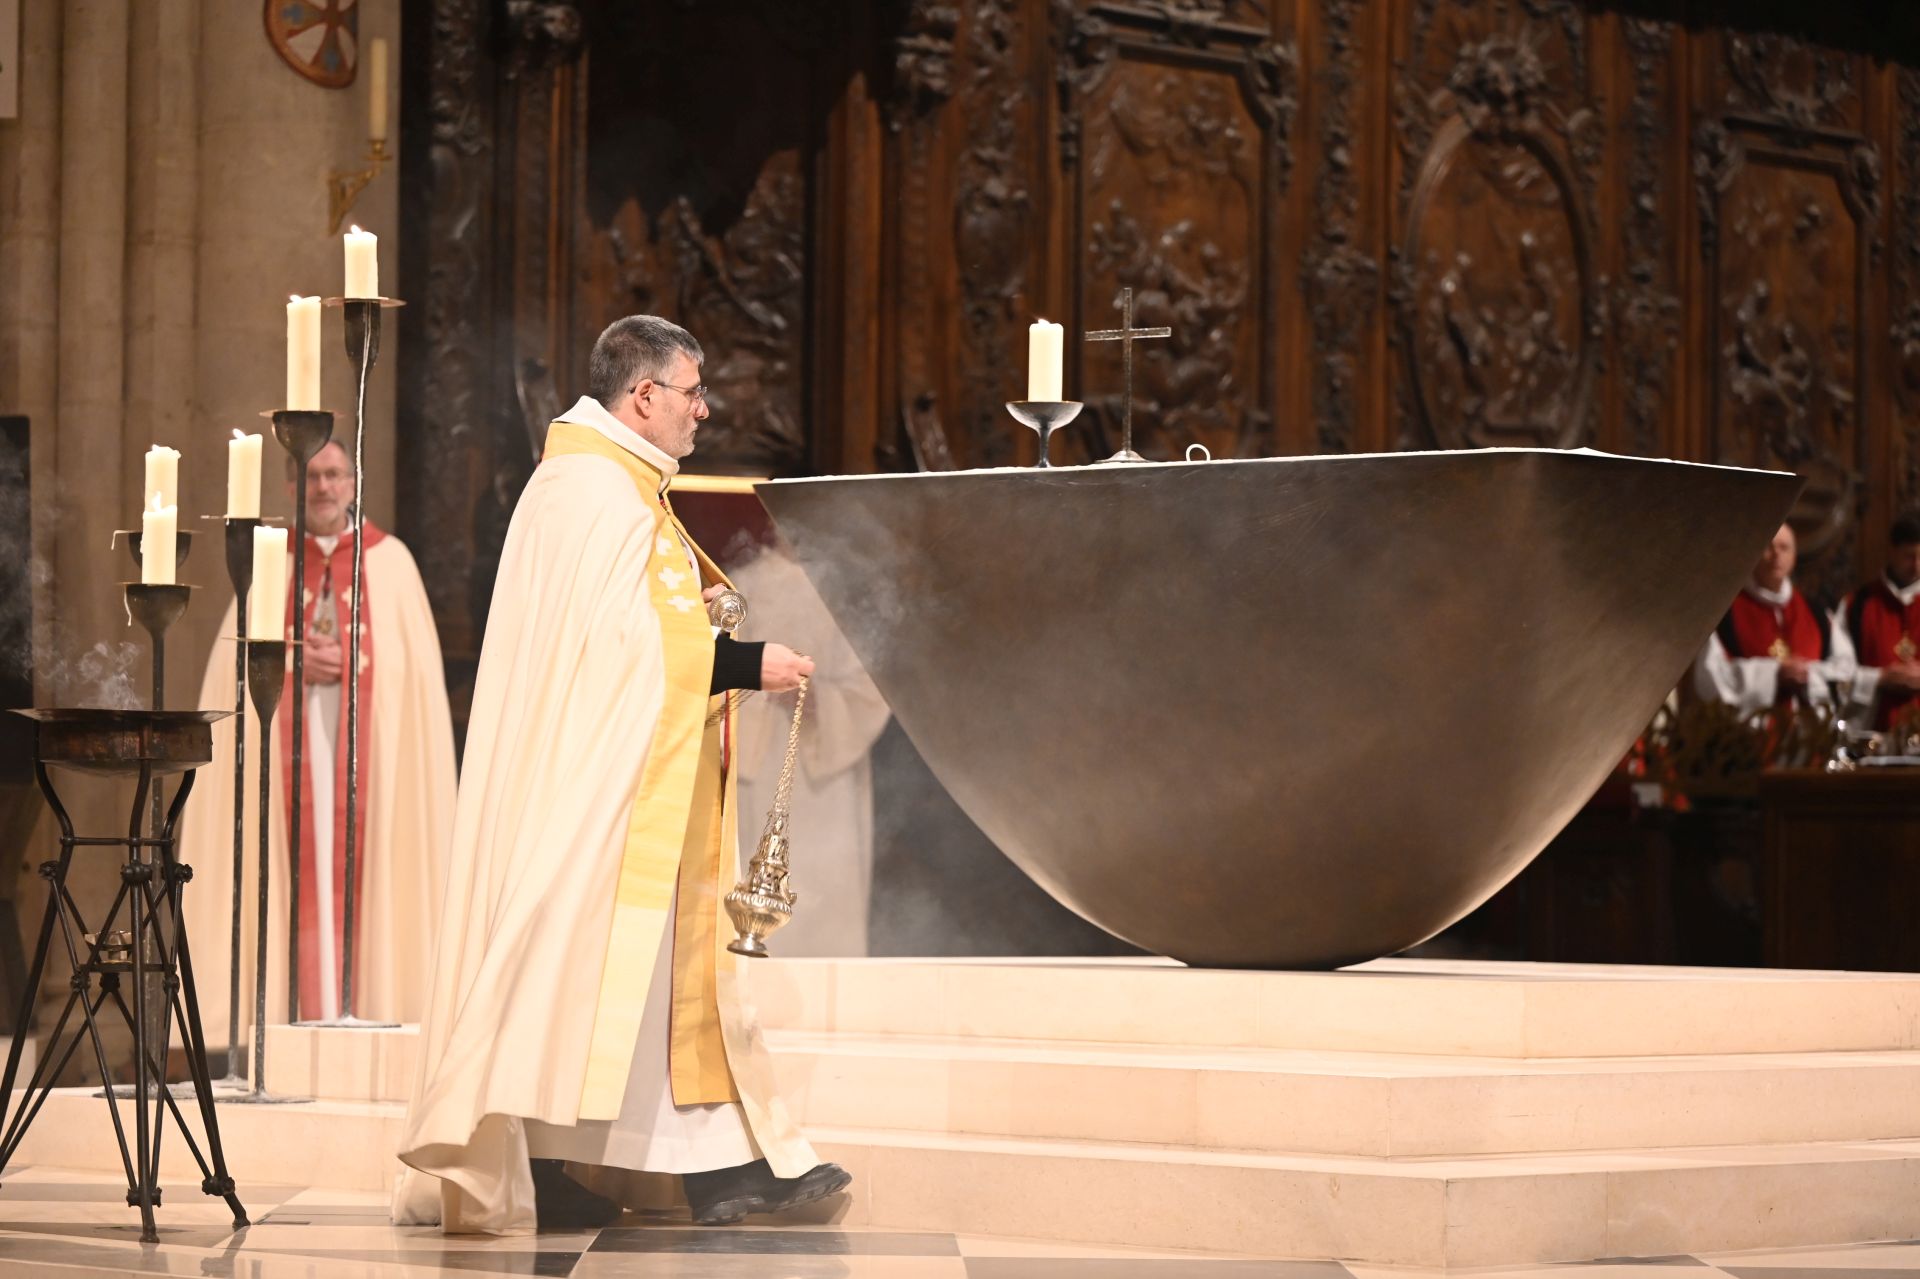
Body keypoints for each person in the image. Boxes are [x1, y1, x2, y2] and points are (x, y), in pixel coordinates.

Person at [393, 315, 848, 1234]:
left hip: (627, 768)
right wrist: (741, 661)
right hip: (596, 783)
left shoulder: (608, 483)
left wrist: (703, 628)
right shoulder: (593, 491)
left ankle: (622, 1163)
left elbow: (625, 631)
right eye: (692, 390)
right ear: (643, 396)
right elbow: (619, 651)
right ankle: (689, 1169)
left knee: (615, 971)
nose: (703, 409)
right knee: (604, 965)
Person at [180, 441, 456, 1043]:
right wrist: (294, 664)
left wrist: (356, 662)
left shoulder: (392, 563)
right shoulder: (267, 564)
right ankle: (275, 1024)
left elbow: (410, 682)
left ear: (354, 483)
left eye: (334, 475)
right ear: (290, 489)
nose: (324, 487)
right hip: (292, 754)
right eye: (310, 477)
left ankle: (368, 1008)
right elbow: (234, 673)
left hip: (367, 763)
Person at [732, 538, 891, 956]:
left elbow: (870, 689)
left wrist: (816, 698)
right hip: (757, 761)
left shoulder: (845, 590)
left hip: (827, 774)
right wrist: (762, 683)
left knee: (826, 890)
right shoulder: (742, 584)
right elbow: (716, 671)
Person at [1691, 522, 1849, 713]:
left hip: (1809, 727)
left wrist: (1808, 673)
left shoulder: (1817, 613)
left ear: (1794, 556)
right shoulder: (1724, 612)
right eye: (1768, 546)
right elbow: (1709, 677)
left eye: (1784, 548)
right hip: (1749, 728)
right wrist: (1773, 674)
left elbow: (1846, 671)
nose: (1776, 555)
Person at [1840, 513, 1920, 731]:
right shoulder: (1857, 605)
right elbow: (1839, 672)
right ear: (1892, 552)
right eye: (1909, 556)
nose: (1916, 565)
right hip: (1873, 730)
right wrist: (1880, 678)